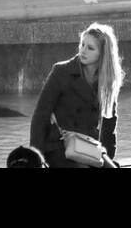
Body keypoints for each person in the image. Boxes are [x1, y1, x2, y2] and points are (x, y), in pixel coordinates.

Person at [30, 23, 123, 168]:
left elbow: (109, 124)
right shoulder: (61, 72)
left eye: (90, 48)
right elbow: (40, 116)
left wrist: (107, 156)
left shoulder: (107, 81)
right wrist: (36, 159)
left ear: (103, 54)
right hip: (59, 146)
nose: (83, 51)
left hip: (89, 147)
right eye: (82, 44)